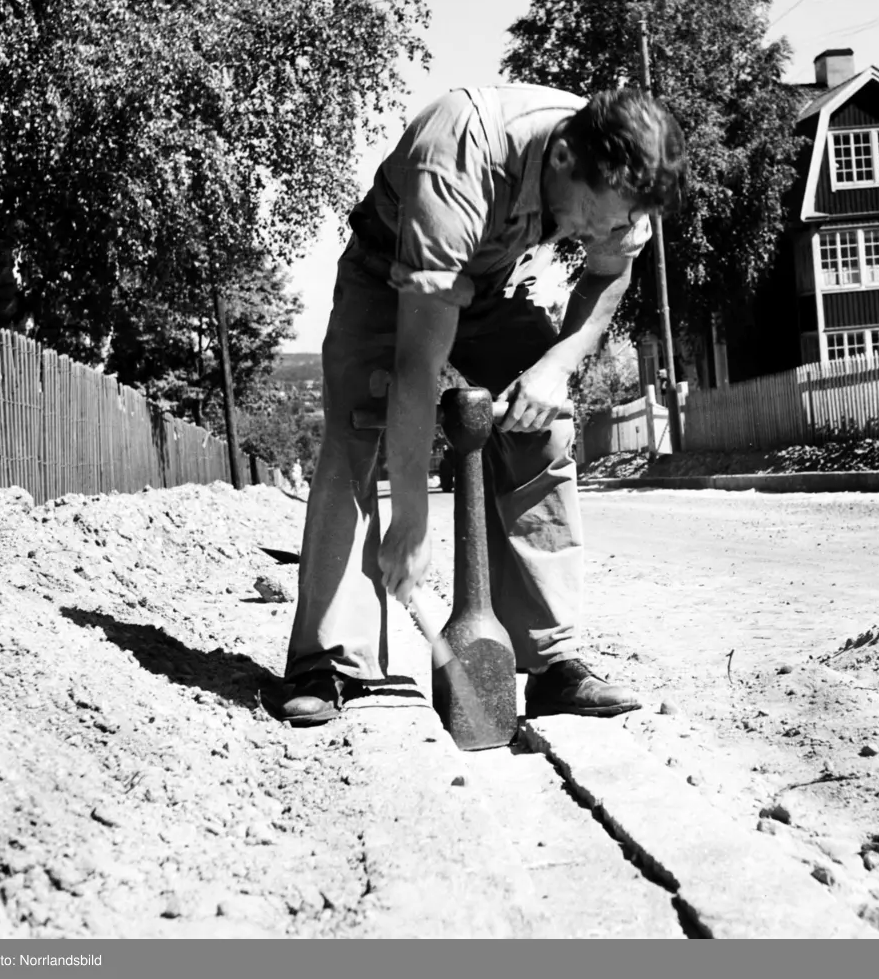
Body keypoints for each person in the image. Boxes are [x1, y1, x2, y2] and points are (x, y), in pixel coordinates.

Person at [271, 83, 686, 727]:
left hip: (490, 281)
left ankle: (550, 662)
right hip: (393, 276)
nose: (597, 234)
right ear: (561, 160)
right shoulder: (461, 155)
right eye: (593, 218)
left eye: (616, 223)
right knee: (360, 428)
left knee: (543, 427)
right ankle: (327, 661)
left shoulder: (625, 171)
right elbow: (418, 366)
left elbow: (610, 272)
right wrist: (410, 520)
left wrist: (554, 368)